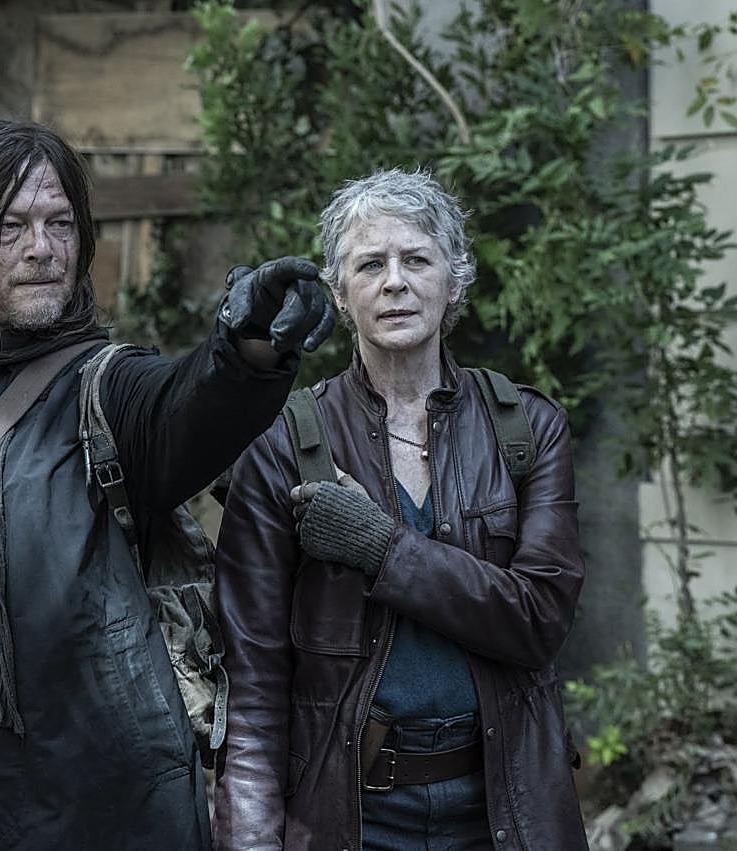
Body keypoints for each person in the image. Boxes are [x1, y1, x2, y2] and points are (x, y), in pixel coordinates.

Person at [0, 119, 335, 851]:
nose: (42, 250)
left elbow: (187, 408)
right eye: (12, 226)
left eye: (60, 225)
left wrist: (247, 348)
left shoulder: (102, 389)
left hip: (85, 812)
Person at [212, 168, 588, 850]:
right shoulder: (282, 443)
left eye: (417, 259)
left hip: (504, 808)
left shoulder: (527, 428)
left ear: (455, 282)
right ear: (339, 292)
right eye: (370, 264)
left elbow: (540, 621)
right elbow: (255, 679)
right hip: (350, 815)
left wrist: (381, 546)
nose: (394, 281)